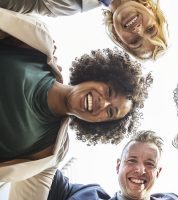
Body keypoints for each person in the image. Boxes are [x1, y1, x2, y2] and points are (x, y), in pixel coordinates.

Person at [0, 8, 152, 200]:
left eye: (111, 111)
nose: (103, 103)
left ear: (101, 124)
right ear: (97, 75)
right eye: (109, 92)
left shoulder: (49, 151)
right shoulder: (36, 45)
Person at [0, 0, 168, 60]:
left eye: (135, 41)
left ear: (119, 37)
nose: (138, 31)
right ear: (150, 8)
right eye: (150, 29)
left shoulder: (65, 6)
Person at [48, 130, 178, 200]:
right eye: (132, 160)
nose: (140, 170)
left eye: (149, 164)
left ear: (158, 172)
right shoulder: (85, 195)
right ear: (118, 166)